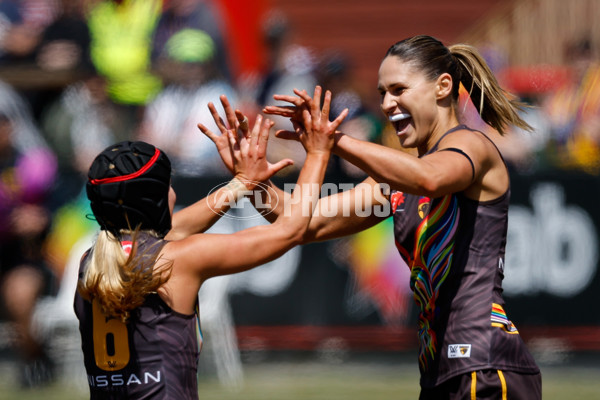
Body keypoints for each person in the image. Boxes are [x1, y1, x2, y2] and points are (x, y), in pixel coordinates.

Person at [207, 35, 542, 399]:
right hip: (440, 369)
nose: (386, 104)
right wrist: (251, 182)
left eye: (398, 89)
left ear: (443, 87)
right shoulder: (397, 179)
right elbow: (303, 222)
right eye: (382, 93)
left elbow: (430, 178)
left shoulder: (471, 145)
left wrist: (333, 140)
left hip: (484, 364)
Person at [73, 91, 345, 399]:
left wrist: (241, 184)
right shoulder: (179, 260)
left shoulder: (91, 261)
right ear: (157, 200)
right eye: (169, 186)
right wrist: (319, 153)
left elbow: (174, 229)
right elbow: (291, 229)